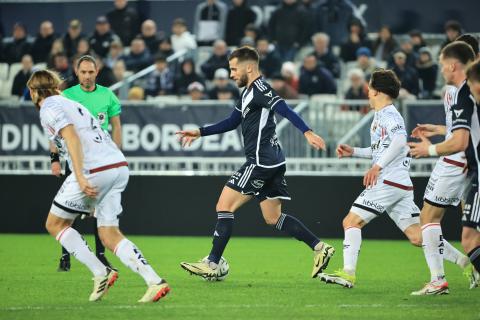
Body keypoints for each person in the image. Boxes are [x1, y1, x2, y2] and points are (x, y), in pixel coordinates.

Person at [176, 46, 335, 280]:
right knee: (273, 218)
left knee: (224, 206)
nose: (231, 74)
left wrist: (307, 132)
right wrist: (199, 132)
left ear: (248, 67)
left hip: (261, 162)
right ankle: (320, 248)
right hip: (274, 162)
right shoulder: (247, 92)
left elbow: (284, 108)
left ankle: (212, 262)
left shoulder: (261, 89)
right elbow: (232, 122)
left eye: (233, 69)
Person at [317, 69, 467, 289]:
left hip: (389, 181)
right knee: (418, 236)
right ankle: (466, 262)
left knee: (351, 222)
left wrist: (377, 167)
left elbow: (399, 142)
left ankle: (348, 273)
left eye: (369, 87)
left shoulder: (389, 114)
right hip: (399, 184)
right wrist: (355, 152)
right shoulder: (381, 115)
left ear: (377, 91)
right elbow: (383, 148)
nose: (367, 91)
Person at [28, 69, 169, 302]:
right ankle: (154, 282)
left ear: (34, 91)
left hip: (94, 170)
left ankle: (100, 271)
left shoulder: (49, 107)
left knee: (54, 224)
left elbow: (71, 137)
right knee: (108, 233)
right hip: (118, 165)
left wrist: (82, 178)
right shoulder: (69, 102)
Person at [409, 41, 480, 293]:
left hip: (457, 160)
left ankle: (438, 279)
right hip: (466, 161)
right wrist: (440, 130)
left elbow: (462, 139)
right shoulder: (461, 90)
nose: (440, 70)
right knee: (471, 231)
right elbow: (463, 128)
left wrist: (427, 150)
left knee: (428, 217)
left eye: (442, 65)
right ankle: (464, 263)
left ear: (453, 65)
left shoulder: (463, 92)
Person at [52, 55, 123, 271]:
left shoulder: (108, 95)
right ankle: (66, 256)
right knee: (68, 209)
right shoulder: (67, 96)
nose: (87, 76)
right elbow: (55, 129)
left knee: (100, 209)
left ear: (97, 72)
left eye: (91, 72)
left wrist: (116, 154)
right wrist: (54, 158)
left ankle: (100, 255)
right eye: (83, 72)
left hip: (101, 162)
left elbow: (116, 127)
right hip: (75, 161)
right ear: (76, 72)